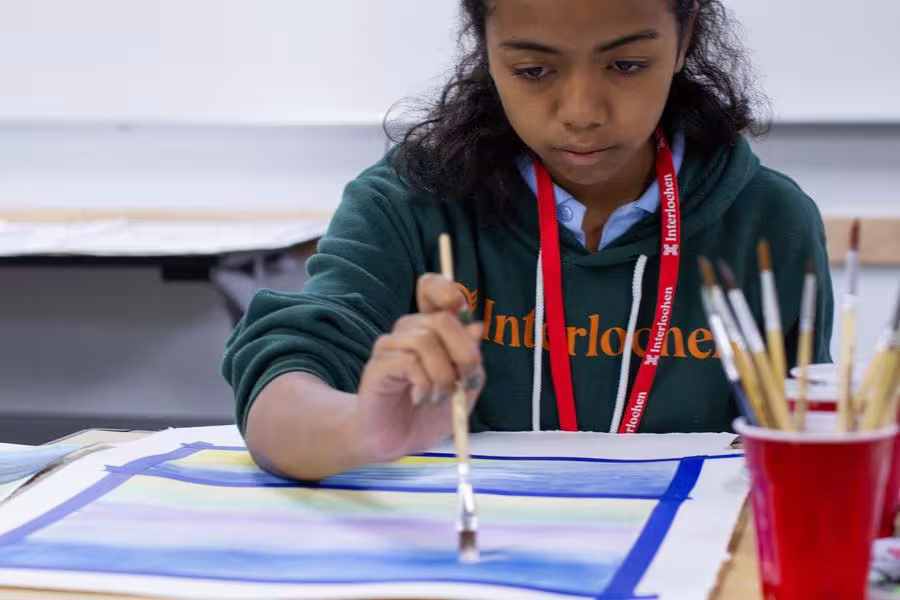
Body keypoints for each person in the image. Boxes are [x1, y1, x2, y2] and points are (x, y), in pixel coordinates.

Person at [222, 0, 834, 481]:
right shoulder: (409, 203)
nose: (582, 112)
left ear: (686, 34)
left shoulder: (766, 220)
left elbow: (800, 435)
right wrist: (359, 428)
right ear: (485, 49)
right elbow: (284, 377)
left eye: (626, 65)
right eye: (534, 70)